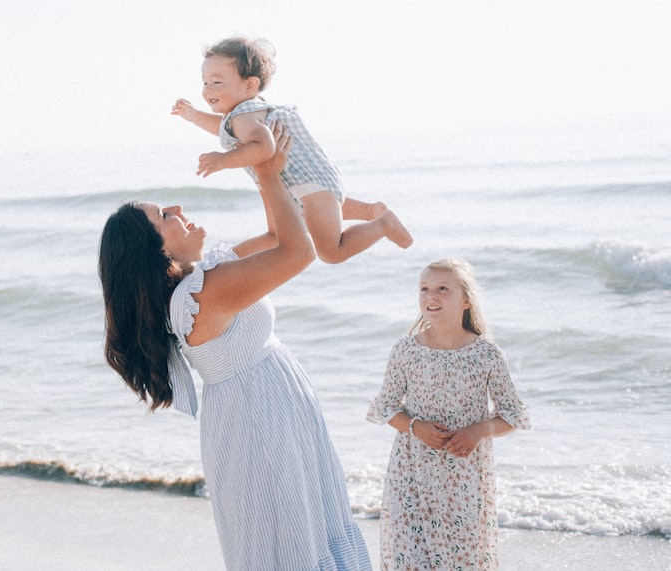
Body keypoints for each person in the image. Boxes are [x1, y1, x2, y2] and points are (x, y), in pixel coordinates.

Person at [99, 128, 371, 571]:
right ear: (158, 250)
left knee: (301, 524)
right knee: (286, 536)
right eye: (166, 214)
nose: (180, 209)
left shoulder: (207, 274)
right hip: (258, 420)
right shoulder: (200, 295)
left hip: (269, 407)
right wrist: (265, 172)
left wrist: (266, 165)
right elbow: (298, 253)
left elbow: (278, 232)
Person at [172, 35, 413, 264]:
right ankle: (371, 210)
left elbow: (264, 146)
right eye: (205, 82)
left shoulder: (244, 115)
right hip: (310, 184)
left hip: (308, 186)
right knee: (281, 233)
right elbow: (224, 129)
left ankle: (383, 224)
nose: (208, 89)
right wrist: (193, 116)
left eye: (217, 82)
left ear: (250, 85)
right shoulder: (243, 114)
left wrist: (224, 160)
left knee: (331, 251)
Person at [366, 258, 531, 570]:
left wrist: (479, 430)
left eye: (443, 289)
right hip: (410, 476)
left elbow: (512, 415)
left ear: (466, 300)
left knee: (460, 561)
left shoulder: (486, 354)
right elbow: (385, 407)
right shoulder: (405, 350)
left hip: (463, 481)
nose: (432, 296)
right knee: (409, 560)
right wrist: (415, 427)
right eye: (425, 289)